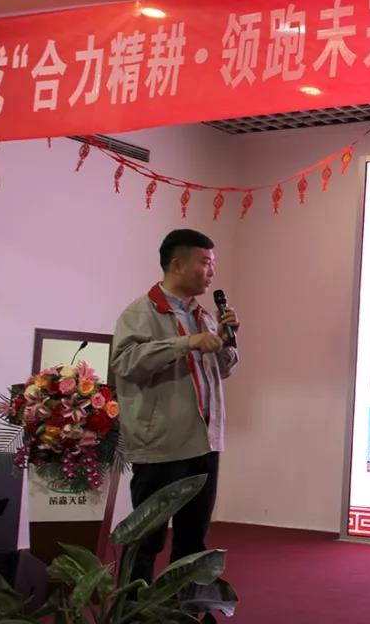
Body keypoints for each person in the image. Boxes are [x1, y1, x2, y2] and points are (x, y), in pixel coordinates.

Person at [110, 229, 240, 586]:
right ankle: (132, 606)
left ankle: (184, 605)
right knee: (147, 538)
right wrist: (186, 343)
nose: (212, 272)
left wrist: (227, 342)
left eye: (213, 263)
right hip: (162, 444)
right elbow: (125, 363)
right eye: (205, 262)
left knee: (193, 538)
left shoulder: (205, 315)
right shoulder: (141, 312)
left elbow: (222, 371)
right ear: (178, 264)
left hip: (205, 442)